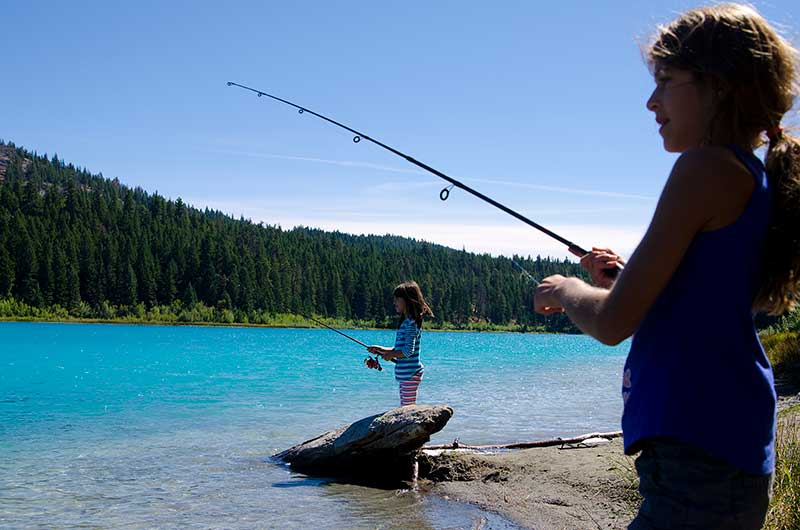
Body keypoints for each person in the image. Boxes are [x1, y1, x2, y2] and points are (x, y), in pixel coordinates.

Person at [533, 4, 799, 528]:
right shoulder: (745, 174)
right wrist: (620, 277)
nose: (651, 101)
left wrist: (566, 289)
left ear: (720, 83)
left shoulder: (704, 167)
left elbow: (611, 324)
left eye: (667, 81)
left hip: (698, 451)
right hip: (720, 442)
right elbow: (699, 296)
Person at [368, 281, 433, 406]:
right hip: (407, 375)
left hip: (410, 374)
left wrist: (391, 355)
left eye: (397, 299)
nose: (394, 302)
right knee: (406, 408)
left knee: (407, 409)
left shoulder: (411, 324)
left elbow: (408, 351)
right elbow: (399, 349)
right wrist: (381, 350)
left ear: (407, 301)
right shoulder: (407, 322)